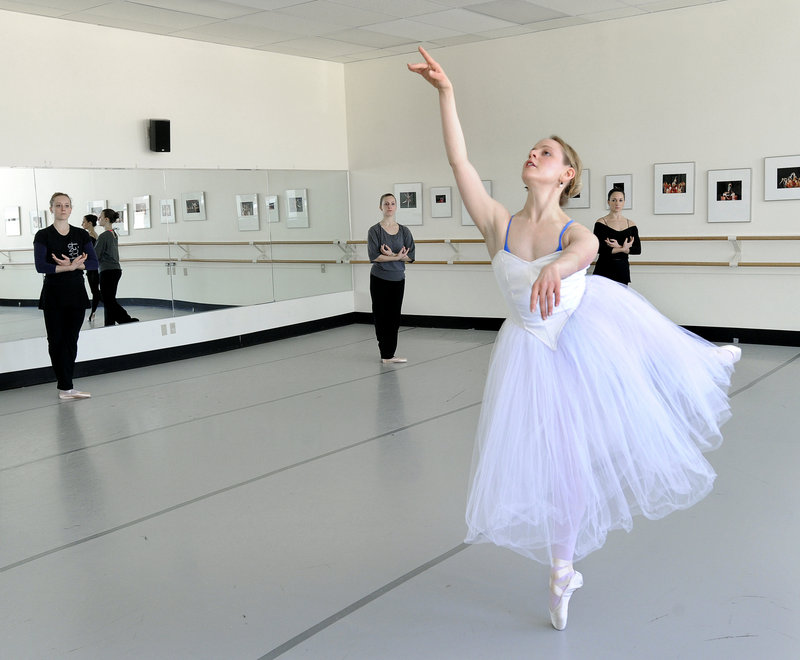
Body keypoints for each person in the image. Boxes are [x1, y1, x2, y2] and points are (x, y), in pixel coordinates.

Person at [408, 46, 740, 631]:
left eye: (548, 152)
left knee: (619, 382)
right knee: (560, 464)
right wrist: (446, 94)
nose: (534, 152)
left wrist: (557, 268)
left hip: (582, 335)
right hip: (531, 352)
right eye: (533, 148)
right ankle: (564, 570)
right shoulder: (498, 223)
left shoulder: (574, 228)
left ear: (566, 174)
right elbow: (459, 162)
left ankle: (700, 358)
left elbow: (586, 251)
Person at [33, 193, 99, 400]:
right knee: (56, 340)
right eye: (58, 205)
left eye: (67, 205)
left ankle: (67, 387)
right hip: (53, 294)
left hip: (76, 294)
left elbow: (94, 263)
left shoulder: (81, 235)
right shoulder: (43, 235)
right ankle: (65, 385)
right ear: (51, 208)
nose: (63, 208)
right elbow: (41, 266)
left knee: (71, 339)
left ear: (71, 209)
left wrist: (73, 266)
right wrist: (70, 267)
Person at [367, 193, 415, 364]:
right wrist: (396, 257)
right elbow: (375, 256)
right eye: (386, 203)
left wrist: (393, 255)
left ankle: (389, 354)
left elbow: (410, 257)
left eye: (392, 203)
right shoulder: (374, 231)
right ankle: (385, 354)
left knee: (394, 318)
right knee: (381, 317)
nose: (389, 206)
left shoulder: (404, 231)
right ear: (381, 207)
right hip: (379, 279)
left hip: (398, 280)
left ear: (396, 207)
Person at [94, 208, 138, 326]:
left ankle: (125, 319)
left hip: (107, 271)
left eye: (101, 217)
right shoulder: (114, 234)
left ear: (106, 219)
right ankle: (109, 324)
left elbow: (95, 255)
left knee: (107, 299)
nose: (99, 219)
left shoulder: (103, 236)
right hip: (115, 270)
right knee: (109, 299)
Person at [592, 189, 641, 285]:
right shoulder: (600, 223)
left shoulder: (631, 224)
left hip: (622, 269)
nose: (617, 203)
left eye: (620, 200)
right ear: (608, 202)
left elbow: (637, 249)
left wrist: (620, 248)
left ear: (624, 202)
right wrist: (622, 248)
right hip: (604, 268)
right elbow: (598, 248)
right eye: (614, 200)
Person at [81, 214, 102, 322]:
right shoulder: (94, 234)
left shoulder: (91, 236)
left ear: (89, 223)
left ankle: (94, 312)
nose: (82, 224)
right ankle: (93, 312)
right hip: (93, 268)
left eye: (84, 222)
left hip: (93, 268)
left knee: (95, 292)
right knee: (95, 291)